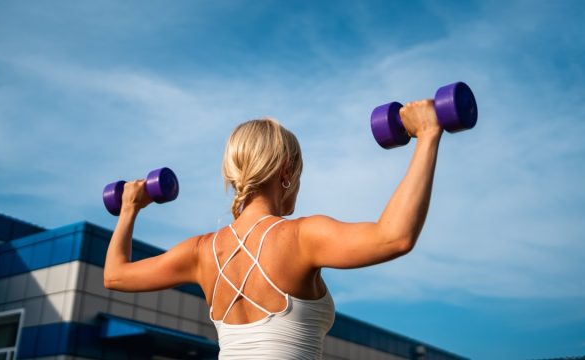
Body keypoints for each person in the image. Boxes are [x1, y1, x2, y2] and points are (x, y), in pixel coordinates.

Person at [104, 99, 442, 359]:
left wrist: (129, 209)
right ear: (286, 172)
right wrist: (427, 135)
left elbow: (115, 276)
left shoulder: (200, 252)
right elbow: (394, 237)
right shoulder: (301, 237)